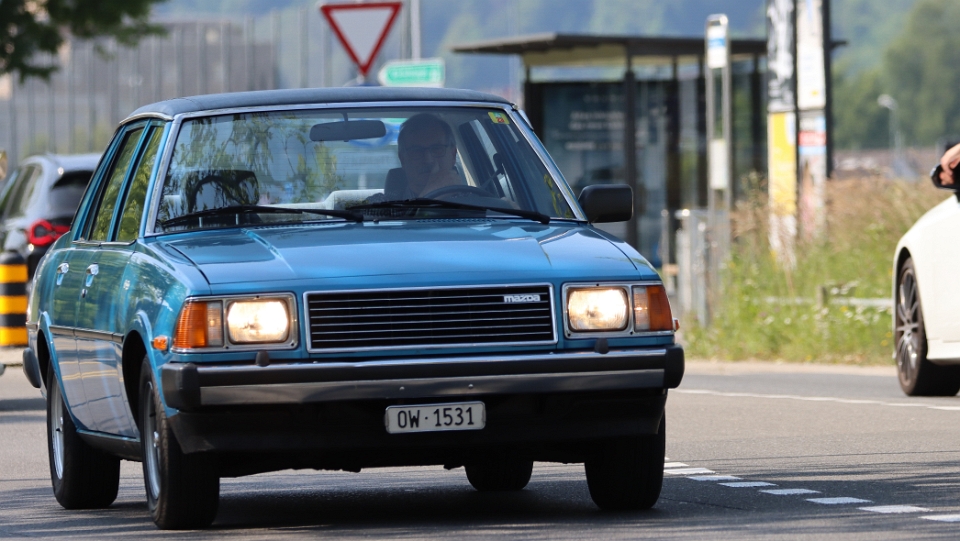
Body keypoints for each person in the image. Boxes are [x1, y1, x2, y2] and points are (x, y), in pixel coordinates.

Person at [393, 113, 462, 198]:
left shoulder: (473, 200)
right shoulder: (385, 202)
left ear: (453, 155)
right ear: (402, 159)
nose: (428, 160)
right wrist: (433, 190)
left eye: (437, 149)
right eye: (417, 151)